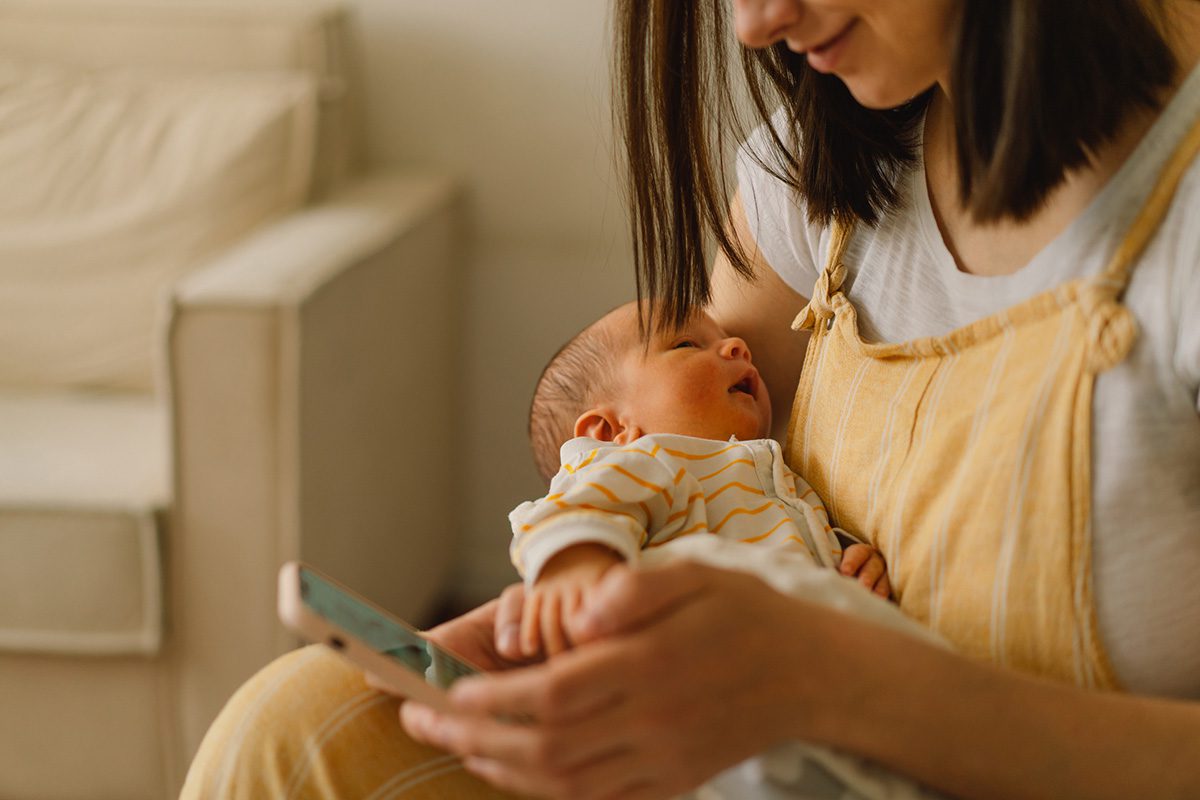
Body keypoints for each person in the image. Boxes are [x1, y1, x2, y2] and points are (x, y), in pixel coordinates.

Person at [182, 1, 1200, 798]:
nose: (755, 23)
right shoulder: (832, 155)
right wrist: (574, 617)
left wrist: (849, 677)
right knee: (303, 719)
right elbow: (677, 444)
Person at [511, 299, 890, 659]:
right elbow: (576, 510)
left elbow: (799, 538)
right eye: (687, 343)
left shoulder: (781, 474)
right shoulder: (646, 461)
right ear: (610, 431)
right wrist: (574, 566)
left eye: (724, 338)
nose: (737, 345)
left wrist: (848, 557)